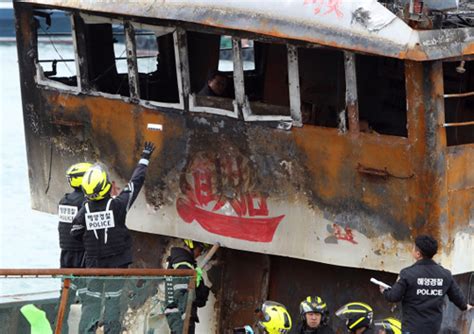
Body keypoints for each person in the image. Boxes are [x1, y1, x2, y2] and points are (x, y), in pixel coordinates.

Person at [71, 141, 155, 333]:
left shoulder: (84, 211)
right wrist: (145, 158)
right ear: (107, 186)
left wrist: (92, 242)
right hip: (117, 267)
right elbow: (135, 184)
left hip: (93, 267)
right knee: (113, 304)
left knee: (91, 305)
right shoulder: (117, 207)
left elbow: (75, 233)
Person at [379, 235, 473, 333]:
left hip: (412, 328)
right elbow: (457, 297)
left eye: (413, 248)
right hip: (433, 329)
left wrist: (385, 291)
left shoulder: (407, 273)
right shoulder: (445, 274)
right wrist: (465, 306)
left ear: (418, 254)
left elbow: (394, 296)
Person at [164, 239, 211, 334]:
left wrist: (199, 285)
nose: (200, 254)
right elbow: (183, 297)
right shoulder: (183, 266)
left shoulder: (178, 263)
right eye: (200, 249)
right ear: (192, 245)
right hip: (182, 320)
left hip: (178, 319)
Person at [59, 162, 92, 268]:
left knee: (67, 283)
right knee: (82, 283)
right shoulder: (85, 201)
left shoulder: (64, 200)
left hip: (65, 252)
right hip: (81, 252)